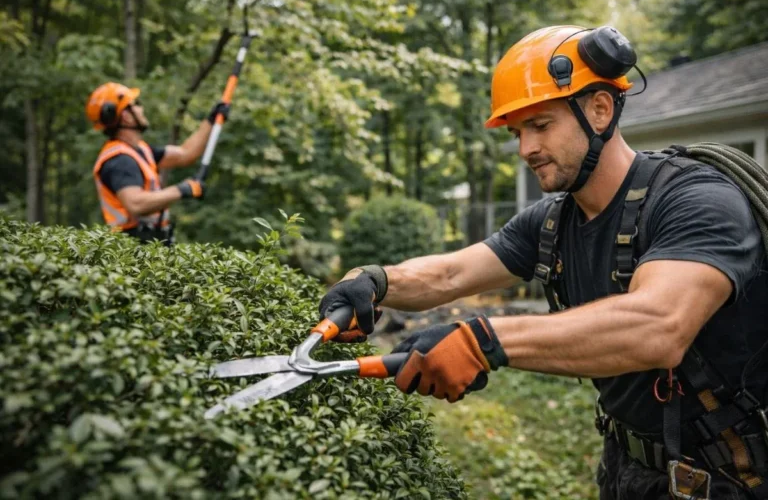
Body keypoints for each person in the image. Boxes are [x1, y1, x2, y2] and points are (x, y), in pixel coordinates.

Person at [319, 26, 768, 499]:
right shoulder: (553, 222)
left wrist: (486, 340)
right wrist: (375, 281)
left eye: (540, 125)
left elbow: (658, 326)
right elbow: (450, 273)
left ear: (599, 109)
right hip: (626, 464)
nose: (525, 149)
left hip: (730, 475)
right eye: (517, 132)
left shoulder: (695, 200)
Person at [85, 82, 228, 244]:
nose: (141, 109)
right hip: (133, 247)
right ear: (126, 116)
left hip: (152, 244)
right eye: (136, 104)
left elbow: (186, 154)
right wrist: (181, 190)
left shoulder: (141, 151)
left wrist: (211, 120)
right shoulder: (119, 161)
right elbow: (136, 204)